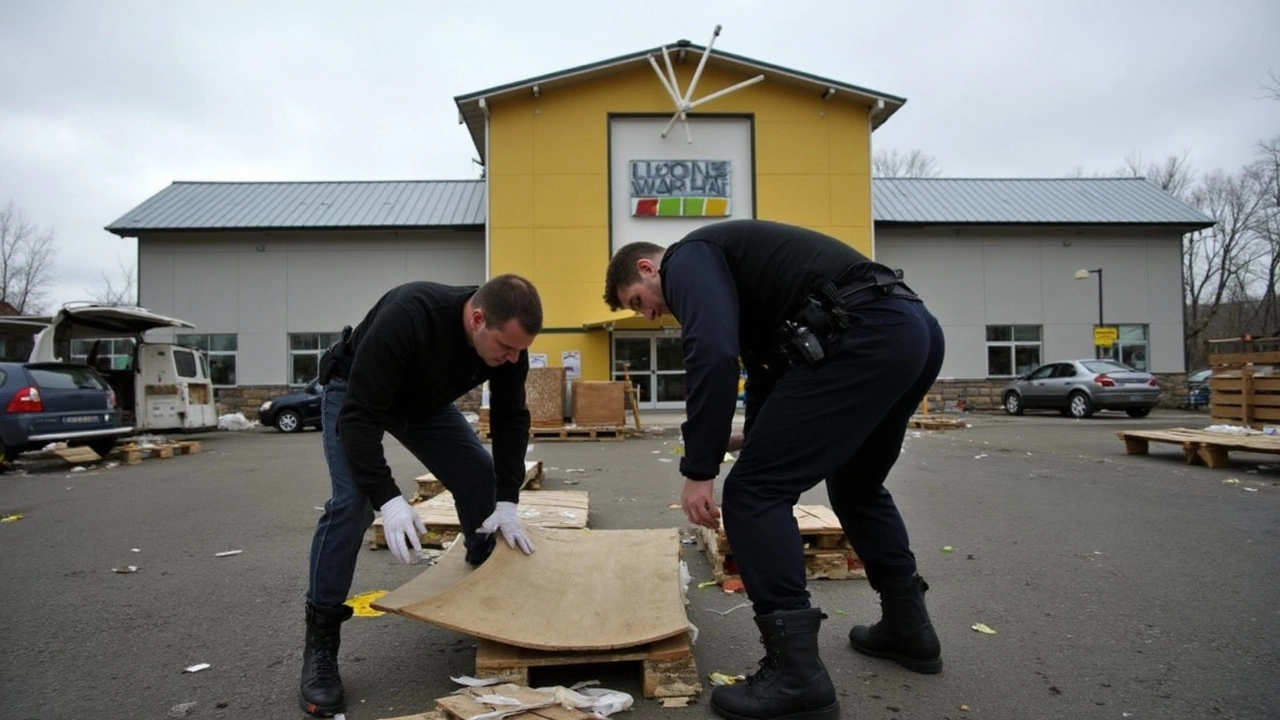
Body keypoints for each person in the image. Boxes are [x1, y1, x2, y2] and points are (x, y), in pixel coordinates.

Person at [604, 220, 945, 720]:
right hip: (909, 330)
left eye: (637, 301)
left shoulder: (688, 257)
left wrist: (700, 470)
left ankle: (796, 675)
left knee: (752, 495)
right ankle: (908, 628)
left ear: (647, 266)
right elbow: (769, 372)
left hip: (865, 330)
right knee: (857, 484)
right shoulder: (746, 285)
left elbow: (712, 354)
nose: (650, 315)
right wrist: (750, 438)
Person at [300, 275, 543, 717]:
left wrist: (508, 500)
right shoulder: (411, 315)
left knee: (478, 474)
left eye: (518, 351)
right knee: (352, 504)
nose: (511, 359)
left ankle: (483, 568)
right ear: (476, 318)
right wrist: (389, 499)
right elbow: (359, 418)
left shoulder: (511, 346)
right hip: (356, 394)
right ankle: (320, 642)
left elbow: (510, 419)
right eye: (505, 348)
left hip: (423, 405)